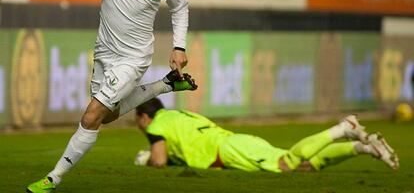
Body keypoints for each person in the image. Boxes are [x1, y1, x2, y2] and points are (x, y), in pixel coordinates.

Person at [27, 0, 197, 193]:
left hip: (133, 59)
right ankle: (165, 85)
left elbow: (180, 7)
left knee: (91, 116)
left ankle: (53, 178)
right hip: (104, 52)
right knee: (109, 114)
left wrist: (179, 46)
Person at [134, 98, 400, 172]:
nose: (139, 125)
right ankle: (365, 149)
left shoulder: (157, 125)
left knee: (287, 164)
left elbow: (159, 160)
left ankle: (344, 128)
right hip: (235, 143)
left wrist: (148, 160)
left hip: (229, 151)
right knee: (305, 166)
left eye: (138, 120)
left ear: (144, 117)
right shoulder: (178, 115)